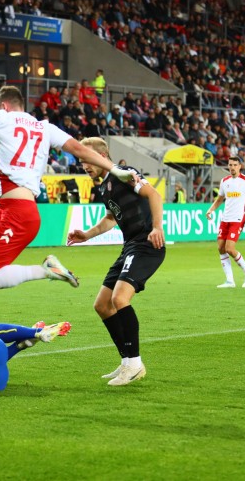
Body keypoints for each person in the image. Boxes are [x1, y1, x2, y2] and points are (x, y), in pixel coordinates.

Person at [0, 86, 135, 331]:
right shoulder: (45, 127)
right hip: (9, 209)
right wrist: (115, 170)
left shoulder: (1, 117)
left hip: (18, 214)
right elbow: (81, 150)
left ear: (4, 106)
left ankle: (45, 271)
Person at [66, 137, 165, 387]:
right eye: (81, 161)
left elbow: (153, 194)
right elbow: (111, 218)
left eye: (87, 160)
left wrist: (157, 227)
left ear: (102, 156)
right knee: (102, 305)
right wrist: (86, 235)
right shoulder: (104, 186)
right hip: (130, 246)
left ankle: (135, 363)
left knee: (119, 299)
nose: (84, 165)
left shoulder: (124, 173)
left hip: (146, 244)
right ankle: (126, 362)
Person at [205, 156, 245, 288]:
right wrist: (211, 210)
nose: (232, 167)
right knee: (221, 248)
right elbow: (219, 199)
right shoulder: (224, 181)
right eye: (230, 165)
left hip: (238, 218)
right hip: (226, 218)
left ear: (240, 166)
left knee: (229, 248)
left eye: (235, 165)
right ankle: (230, 281)